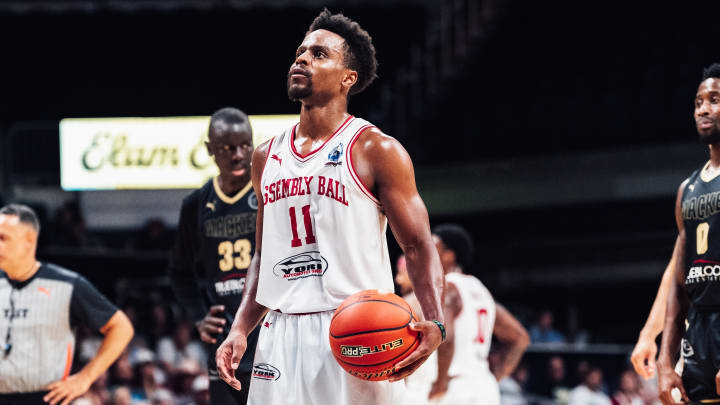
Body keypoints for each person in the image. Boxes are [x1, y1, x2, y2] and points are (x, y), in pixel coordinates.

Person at [215, 8, 446, 405]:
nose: (302, 59)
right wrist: (240, 329)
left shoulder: (376, 149)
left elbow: (418, 245)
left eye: (319, 54)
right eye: (301, 51)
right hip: (279, 335)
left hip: (360, 329)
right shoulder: (265, 156)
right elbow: (262, 254)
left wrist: (436, 322)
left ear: (348, 78)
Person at [169, 107, 260, 405]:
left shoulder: (267, 193)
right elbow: (179, 273)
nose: (237, 155)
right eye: (227, 148)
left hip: (268, 337)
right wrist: (198, 317)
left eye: (245, 145)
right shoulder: (195, 204)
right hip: (223, 344)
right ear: (210, 150)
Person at [0, 203, 134, 405]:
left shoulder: (66, 284)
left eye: (3, 238)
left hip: (45, 398)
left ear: (28, 241)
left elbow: (121, 328)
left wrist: (85, 377)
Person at [657, 63, 720, 404]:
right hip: (699, 329)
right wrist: (665, 362)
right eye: (698, 102)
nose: (704, 109)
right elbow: (678, 286)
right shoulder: (687, 189)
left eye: (714, 99)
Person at [428, 224, 530, 405]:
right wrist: (497, 376)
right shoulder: (480, 290)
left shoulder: (447, 287)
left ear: (449, 255)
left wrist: (440, 383)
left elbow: (446, 337)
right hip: (485, 386)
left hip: (456, 385)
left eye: (433, 248)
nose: (426, 253)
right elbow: (520, 338)